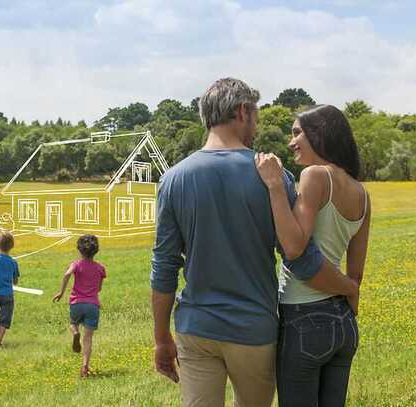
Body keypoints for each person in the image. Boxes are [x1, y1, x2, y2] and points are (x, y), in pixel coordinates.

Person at [150, 78, 359, 407]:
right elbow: (299, 257)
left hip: (196, 328)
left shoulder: (173, 179)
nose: (257, 125)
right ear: (242, 111)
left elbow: (164, 267)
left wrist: (162, 338)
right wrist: (347, 286)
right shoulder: (274, 176)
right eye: (257, 116)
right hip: (254, 332)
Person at [255, 104, 371, 407]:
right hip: (344, 323)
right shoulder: (361, 193)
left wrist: (275, 185)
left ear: (319, 135)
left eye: (297, 133)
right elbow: (355, 275)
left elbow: (294, 247)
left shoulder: (315, 175)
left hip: (303, 318)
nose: (291, 142)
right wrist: (346, 303)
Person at [53, 234, 106, 378]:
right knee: (88, 338)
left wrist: (61, 292)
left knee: (73, 323)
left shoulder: (76, 264)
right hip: (93, 306)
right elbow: (98, 289)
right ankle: (84, 367)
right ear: (96, 250)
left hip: (76, 303)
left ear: (79, 250)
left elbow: (67, 274)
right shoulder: (100, 268)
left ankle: (75, 332)